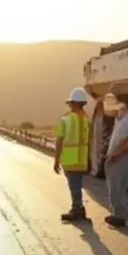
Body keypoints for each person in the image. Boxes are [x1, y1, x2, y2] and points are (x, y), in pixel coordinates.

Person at [53, 88, 92, 222]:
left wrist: (56, 160)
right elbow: (91, 141)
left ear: (74, 103)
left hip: (70, 159)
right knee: (77, 185)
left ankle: (76, 210)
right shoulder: (87, 120)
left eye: (70, 103)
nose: (69, 105)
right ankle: (79, 209)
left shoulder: (65, 119)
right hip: (82, 161)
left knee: (73, 186)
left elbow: (59, 140)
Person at [102, 98, 128, 227]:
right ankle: (118, 213)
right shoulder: (122, 121)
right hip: (119, 157)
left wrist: (114, 155)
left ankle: (119, 216)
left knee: (117, 187)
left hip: (121, 159)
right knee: (116, 187)